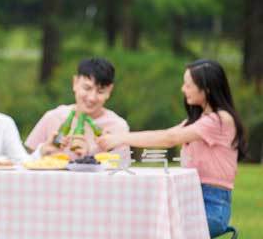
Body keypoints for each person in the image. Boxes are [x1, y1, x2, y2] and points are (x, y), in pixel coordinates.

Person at [97, 60, 247, 238]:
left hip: (212, 207)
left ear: (206, 88)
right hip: (192, 198)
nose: (183, 89)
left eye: (188, 85)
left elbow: (169, 139)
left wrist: (120, 138)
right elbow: (166, 133)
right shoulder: (198, 120)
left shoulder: (219, 120)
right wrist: (116, 136)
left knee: (160, 230)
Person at [25, 57, 130, 160]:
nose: (92, 98)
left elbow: (121, 170)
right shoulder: (53, 117)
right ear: (75, 83)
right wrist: (43, 150)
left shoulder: (118, 126)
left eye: (100, 91)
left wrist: (89, 155)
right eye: (87, 88)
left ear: (109, 91)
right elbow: (26, 160)